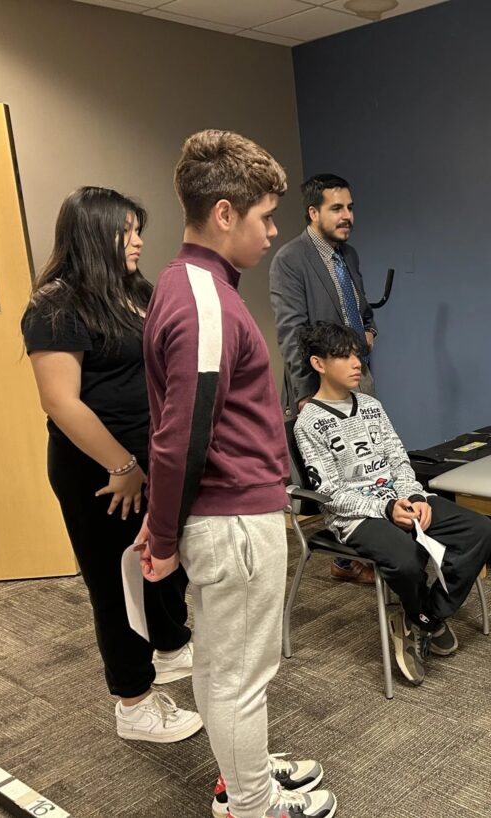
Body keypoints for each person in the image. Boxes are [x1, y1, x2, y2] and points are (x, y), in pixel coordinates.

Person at [133, 132, 335, 818]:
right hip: (235, 520)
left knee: (226, 670)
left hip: (225, 516)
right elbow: (178, 438)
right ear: (224, 214)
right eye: (264, 218)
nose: (272, 232)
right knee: (238, 677)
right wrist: (161, 538)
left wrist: (164, 527)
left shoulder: (184, 284)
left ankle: (245, 772)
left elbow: (175, 428)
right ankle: (252, 804)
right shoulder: (204, 303)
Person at [21, 186, 201, 743]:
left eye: (138, 229)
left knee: (162, 558)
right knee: (115, 579)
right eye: (127, 231)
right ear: (94, 235)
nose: (139, 240)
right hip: (99, 472)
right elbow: (60, 401)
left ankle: (169, 646)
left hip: (148, 460)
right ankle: (134, 703)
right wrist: (122, 466)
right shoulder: (55, 305)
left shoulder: (133, 291)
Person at [293, 321, 491, 686]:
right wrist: (385, 510)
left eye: (358, 354)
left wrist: (414, 496)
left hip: (400, 497)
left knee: (480, 530)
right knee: (407, 557)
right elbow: (331, 492)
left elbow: (399, 459)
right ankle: (422, 617)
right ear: (318, 363)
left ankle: (423, 618)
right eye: (344, 356)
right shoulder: (309, 423)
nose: (357, 363)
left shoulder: (372, 406)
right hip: (354, 515)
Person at [270, 173, 378, 585]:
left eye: (349, 207)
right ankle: (349, 557)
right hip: (319, 385)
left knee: (367, 463)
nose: (347, 215)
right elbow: (291, 333)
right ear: (314, 212)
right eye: (337, 208)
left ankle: (362, 550)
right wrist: (304, 395)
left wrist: (370, 336)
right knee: (336, 472)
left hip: (360, 373)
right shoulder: (290, 260)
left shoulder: (348, 255)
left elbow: (362, 309)